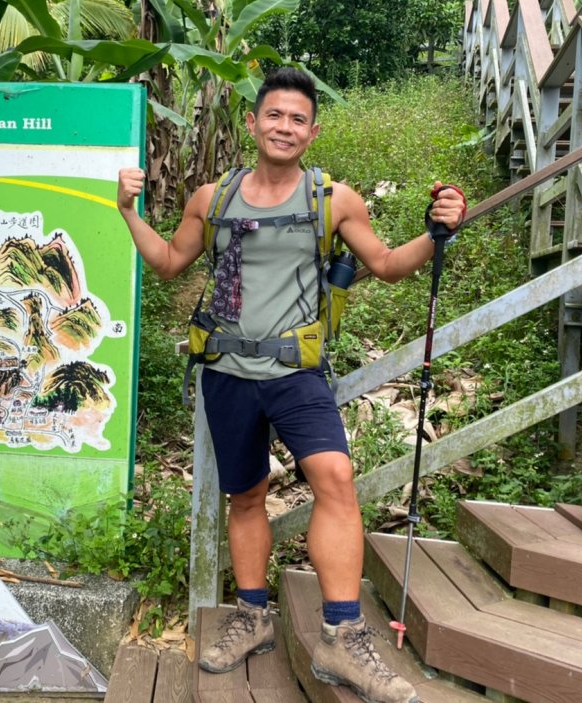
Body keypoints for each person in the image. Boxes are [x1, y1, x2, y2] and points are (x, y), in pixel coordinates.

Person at [117, 67, 466, 703]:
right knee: (245, 496)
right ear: (253, 122)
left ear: (313, 131)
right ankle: (252, 616)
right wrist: (125, 210)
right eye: (274, 115)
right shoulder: (212, 197)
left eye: (298, 119)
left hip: (296, 373)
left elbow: (385, 266)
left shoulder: (332, 199)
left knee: (335, 479)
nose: (285, 127)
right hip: (225, 373)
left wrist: (439, 231)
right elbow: (169, 263)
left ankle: (342, 635)